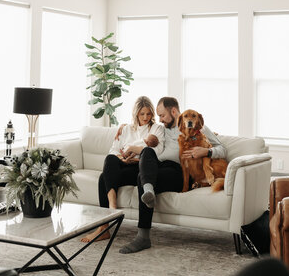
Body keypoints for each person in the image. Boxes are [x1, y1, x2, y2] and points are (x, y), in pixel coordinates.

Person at [118, 96, 226, 254]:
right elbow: (144, 131)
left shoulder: (197, 126)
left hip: (179, 171)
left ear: (174, 111)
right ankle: (149, 190)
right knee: (147, 155)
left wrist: (206, 151)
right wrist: (122, 127)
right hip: (158, 167)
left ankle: (143, 237)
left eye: (162, 115)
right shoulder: (162, 128)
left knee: (141, 178)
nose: (160, 119)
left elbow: (222, 149)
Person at [80, 96, 164, 243]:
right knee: (110, 161)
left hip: (141, 169)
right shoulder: (126, 129)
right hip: (124, 164)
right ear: (136, 114)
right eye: (142, 114)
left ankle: (105, 223)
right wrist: (122, 158)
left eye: (148, 114)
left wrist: (135, 152)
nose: (145, 117)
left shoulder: (157, 128)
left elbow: (157, 152)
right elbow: (113, 150)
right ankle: (111, 212)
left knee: (103, 179)